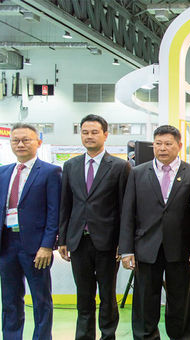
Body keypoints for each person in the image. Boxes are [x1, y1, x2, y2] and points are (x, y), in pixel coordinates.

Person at [119, 125, 190, 340]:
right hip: (146, 247)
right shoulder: (137, 172)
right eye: (158, 144)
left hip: (180, 249)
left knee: (180, 301)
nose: (162, 148)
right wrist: (126, 249)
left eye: (168, 144)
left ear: (179, 146)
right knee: (145, 300)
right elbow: (128, 212)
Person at [58, 114, 130, 340]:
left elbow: (125, 208)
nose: (89, 136)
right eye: (85, 132)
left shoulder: (119, 166)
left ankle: (108, 335)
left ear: (105, 135)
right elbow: (65, 204)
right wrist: (62, 239)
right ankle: (84, 336)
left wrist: (123, 242)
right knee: (84, 295)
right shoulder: (70, 165)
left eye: (94, 132)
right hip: (78, 241)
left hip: (108, 243)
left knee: (107, 295)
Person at [0, 123, 61, 340]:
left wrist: (47, 245)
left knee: (41, 299)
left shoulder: (50, 172)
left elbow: (54, 213)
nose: (21, 144)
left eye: (26, 139)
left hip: (36, 247)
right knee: (9, 300)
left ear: (38, 143)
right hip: (6, 244)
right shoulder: (3, 172)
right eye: (16, 140)